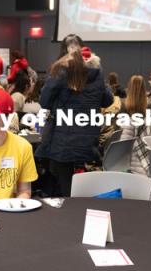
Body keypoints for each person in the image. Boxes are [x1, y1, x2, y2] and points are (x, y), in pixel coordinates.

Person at [35, 46, 113, 196]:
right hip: (88, 143)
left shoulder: (63, 74)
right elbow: (107, 100)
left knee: (65, 188)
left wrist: (56, 74)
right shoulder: (98, 75)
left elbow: (44, 101)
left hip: (63, 143)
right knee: (80, 189)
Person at [119, 75, 151, 177]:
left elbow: (119, 127)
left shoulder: (123, 104)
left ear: (129, 87)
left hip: (127, 146)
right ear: (144, 88)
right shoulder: (150, 104)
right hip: (146, 145)